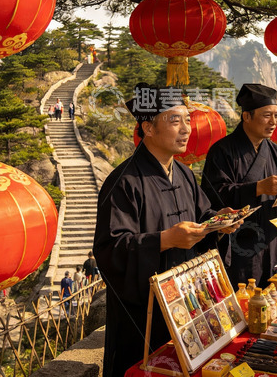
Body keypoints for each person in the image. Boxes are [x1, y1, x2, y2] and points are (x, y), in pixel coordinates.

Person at [93, 83, 240, 377]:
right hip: (143, 313)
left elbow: (201, 215)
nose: (186, 129)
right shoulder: (124, 181)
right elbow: (110, 250)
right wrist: (164, 240)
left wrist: (218, 222)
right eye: (175, 121)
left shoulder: (183, 173)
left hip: (184, 305)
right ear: (148, 128)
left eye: (188, 120)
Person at [201, 83, 277, 286]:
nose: (273, 122)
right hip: (237, 245)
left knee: (271, 302)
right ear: (246, 116)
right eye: (266, 115)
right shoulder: (222, 151)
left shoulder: (276, 153)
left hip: (271, 242)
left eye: (276, 116)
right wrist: (258, 188)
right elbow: (213, 195)